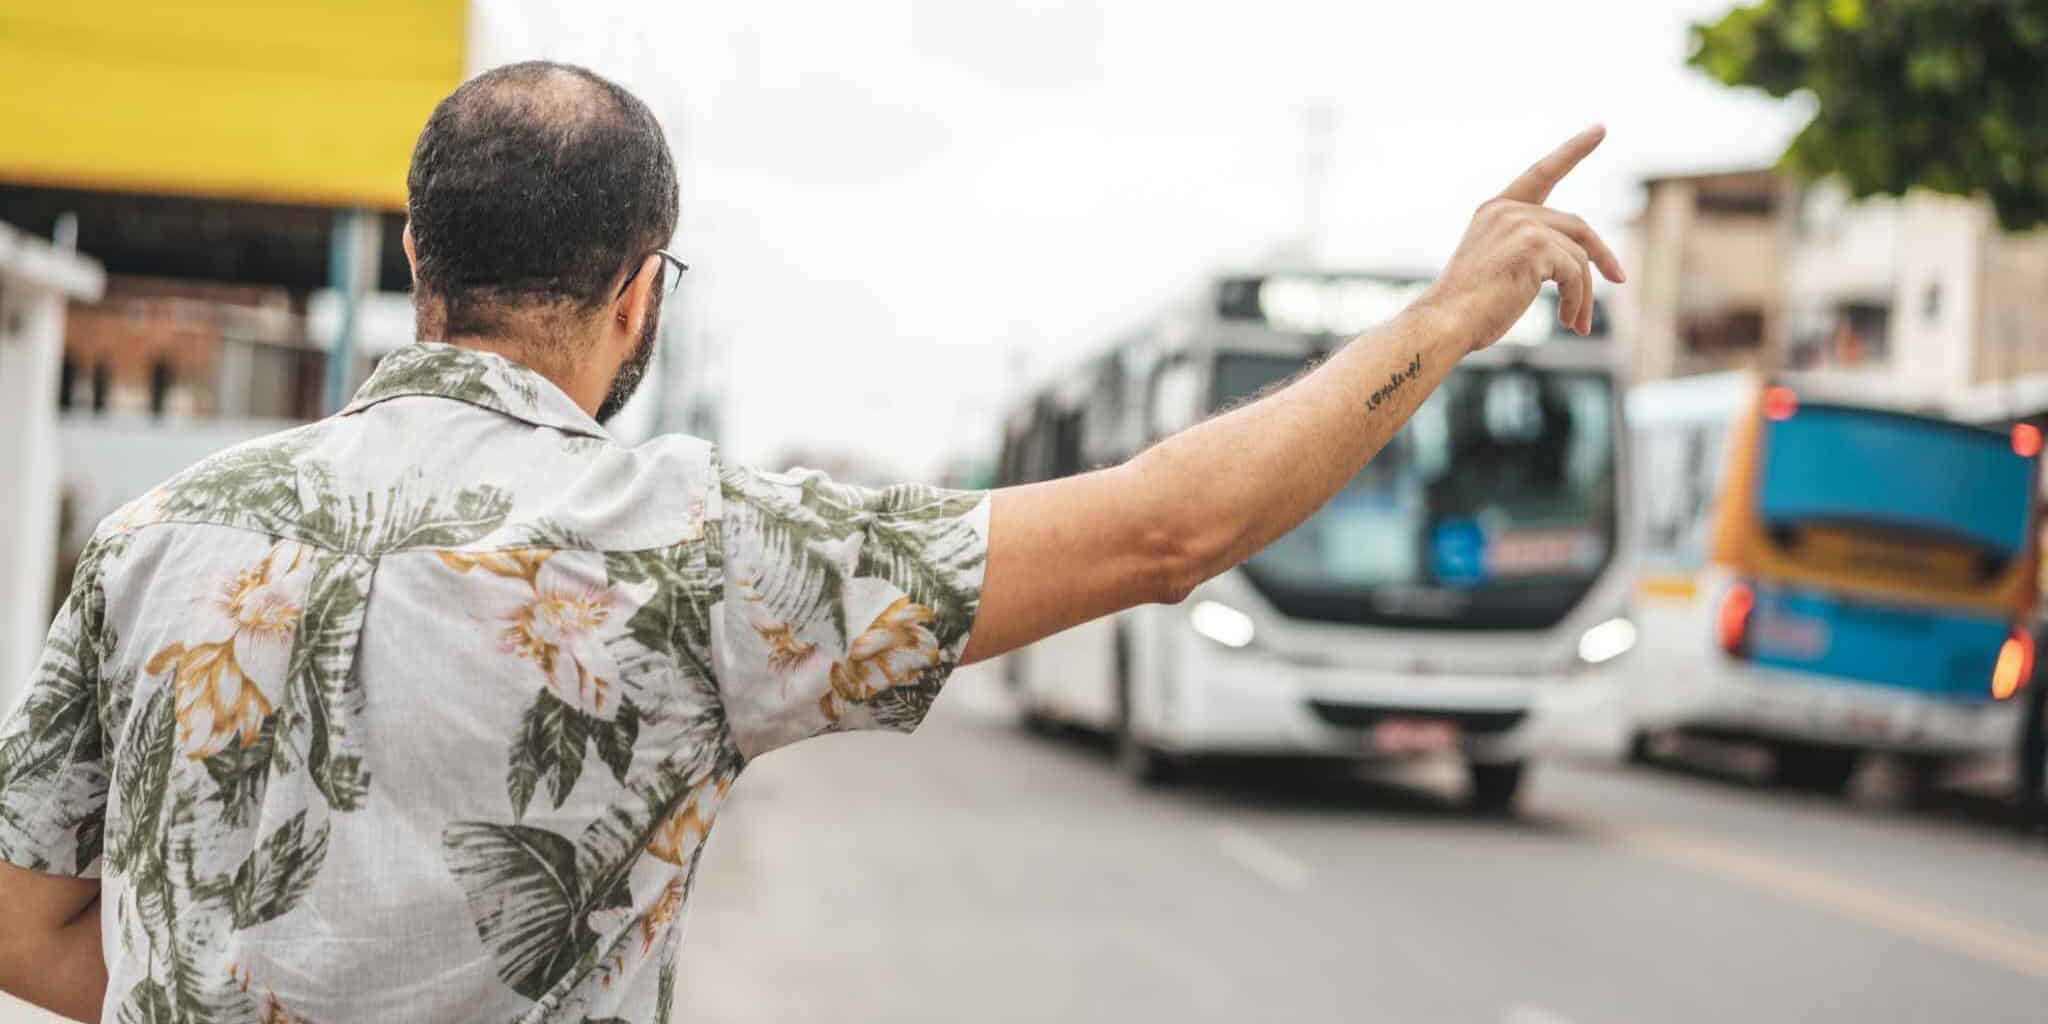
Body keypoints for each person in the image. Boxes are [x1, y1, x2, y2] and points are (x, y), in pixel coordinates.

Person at [0, 61, 1622, 1023]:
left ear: (420, 254)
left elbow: (27, 925)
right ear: (641, 293)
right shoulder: (697, 547)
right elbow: (1170, 529)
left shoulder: (156, 535)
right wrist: (1446, 315)